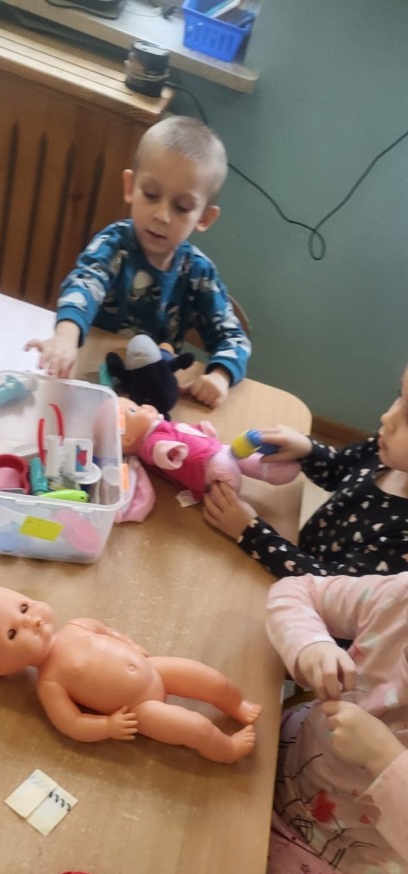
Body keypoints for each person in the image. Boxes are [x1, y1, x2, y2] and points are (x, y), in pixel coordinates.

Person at [25, 116, 250, 409]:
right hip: (94, 380)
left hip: (151, 398)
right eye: (151, 195)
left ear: (204, 218)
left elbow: (234, 338)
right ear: (130, 187)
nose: (162, 216)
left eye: (182, 207)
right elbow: (84, 284)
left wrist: (220, 375)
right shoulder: (113, 245)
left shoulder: (199, 272)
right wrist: (65, 336)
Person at [259, 570, 408, 874]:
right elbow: (296, 590)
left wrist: (385, 760)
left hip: (328, 868)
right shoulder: (400, 595)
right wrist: (311, 643)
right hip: (276, 757)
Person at [0, 586, 259, 764]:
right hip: (139, 709)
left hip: (154, 668)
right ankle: (227, 750)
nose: (31, 621)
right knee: (197, 728)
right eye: (12, 633)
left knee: (214, 681)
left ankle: (236, 705)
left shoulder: (77, 625)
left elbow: (107, 631)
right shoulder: (49, 684)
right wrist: (108, 726)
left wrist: (129, 643)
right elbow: (72, 724)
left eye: (24, 607)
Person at [203, 366, 408, 577]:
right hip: (298, 549)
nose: (387, 417)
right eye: (399, 395)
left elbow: (326, 587)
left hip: (298, 589)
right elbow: (339, 468)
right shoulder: (385, 450)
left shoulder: (402, 543)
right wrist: (308, 449)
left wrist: (251, 533)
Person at [119, 397, 300, 503]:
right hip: (207, 467)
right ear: (127, 439)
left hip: (218, 450)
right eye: (134, 410)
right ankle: (226, 496)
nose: (144, 406)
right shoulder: (151, 441)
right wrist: (169, 450)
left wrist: (199, 429)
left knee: (237, 456)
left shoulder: (160, 427)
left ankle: (268, 469)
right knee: (228, 472)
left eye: (137, 404)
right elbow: (157, 451)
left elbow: (182, 432)